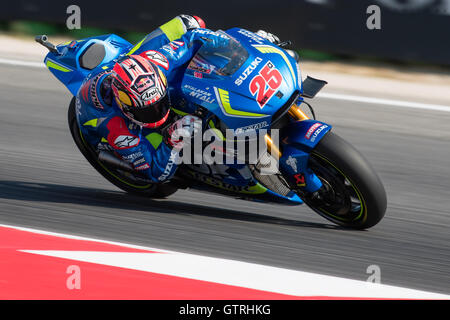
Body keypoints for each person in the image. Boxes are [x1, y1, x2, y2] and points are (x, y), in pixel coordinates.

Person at [76, 14, 280, 183]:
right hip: (103, 122)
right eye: (148, 110)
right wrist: (171, 139)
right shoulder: (115, 125)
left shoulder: (160, 61)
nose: (158, 112)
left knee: (191, 22)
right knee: (150, 170)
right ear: (126, 107)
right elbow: (156, 173)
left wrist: (241, 47)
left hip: (133, 64)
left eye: (158, 104)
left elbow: (196, 37)